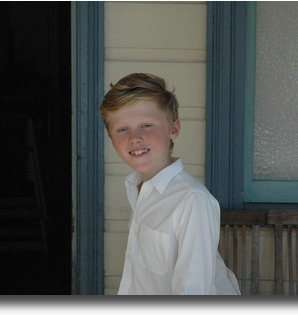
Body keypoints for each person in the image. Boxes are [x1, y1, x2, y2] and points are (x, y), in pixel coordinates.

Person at [100, 73, 240, 295]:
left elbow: (193, 291)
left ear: (173, 129)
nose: (134, 137)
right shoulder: (138, 189)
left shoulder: (192, 200)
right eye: (122, 129)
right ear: (111, 137)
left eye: (146, 125)